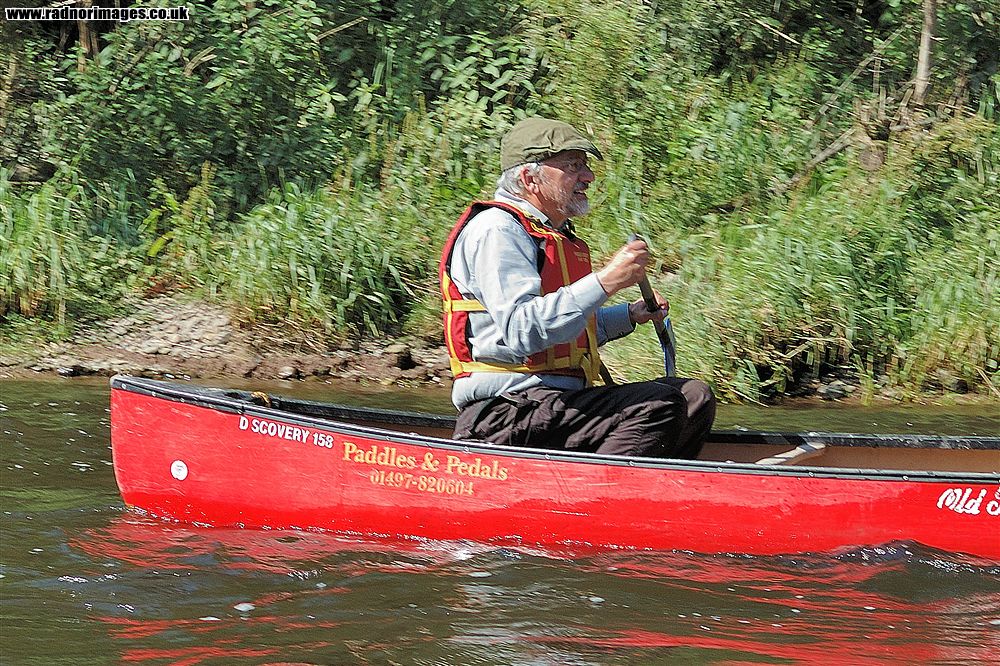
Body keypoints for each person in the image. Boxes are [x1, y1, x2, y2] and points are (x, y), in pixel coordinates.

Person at [439, 117, 715, 459]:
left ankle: (653, 495)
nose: (588, 177)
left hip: (551, 407)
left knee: (694, 396)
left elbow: (565, 330)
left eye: (584, 166)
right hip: (505, 413)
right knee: (658, 406)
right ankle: (598, 503)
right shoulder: (497, 230)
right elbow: (523, 331)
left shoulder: (550, 234)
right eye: (573, 166)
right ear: (529, 179)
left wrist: (628, 315)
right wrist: (606, 280)